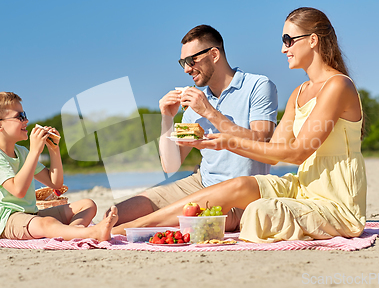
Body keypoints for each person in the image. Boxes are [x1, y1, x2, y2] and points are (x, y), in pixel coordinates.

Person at [111, 7, 366, 243]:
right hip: (283, 188)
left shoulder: (334, 86)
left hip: (331, 200)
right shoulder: (298, 92)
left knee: (253, 212)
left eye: (288, 40)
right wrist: (168, 118)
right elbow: (275, 153)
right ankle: (113, 230)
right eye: (282, 41)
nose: (282, 49)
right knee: (123, 211)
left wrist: (226, 138)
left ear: (313, 40)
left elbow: (292, 151)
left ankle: (118, 232)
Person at [110, 24, 278, 232]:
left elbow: (262, 140)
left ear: (214, 54)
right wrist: (167, 119)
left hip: (242, 196)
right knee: (115, 214)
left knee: (177, 221)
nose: (186, 69)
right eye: (182, 62)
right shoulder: (194, 105)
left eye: (191, 61)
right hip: (201, 182)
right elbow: (171, 166)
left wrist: (209, 112)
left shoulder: (258, 86)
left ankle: (124, 230)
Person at [0, 92, 118, 241]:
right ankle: (90, 233)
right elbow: (18, 191)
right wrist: (35, 151)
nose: (26, 120)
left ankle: (74, 231)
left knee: (88, 204)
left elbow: (55, 183)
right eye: (20, 116)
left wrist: (54, 150)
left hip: (30, 215)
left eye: (25, 115)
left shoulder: (21, 152)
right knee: (47, 223)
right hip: (4, 221)